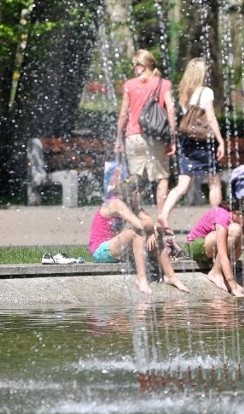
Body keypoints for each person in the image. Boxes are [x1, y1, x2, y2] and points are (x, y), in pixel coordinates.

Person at [157, 57, 226, 234]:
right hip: (204, 142)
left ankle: (163, 214)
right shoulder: (206, 92)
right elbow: (210, 118)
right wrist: (220, 140)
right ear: (201, 74)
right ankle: (217, 220)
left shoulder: (184, 93)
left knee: (182, 185)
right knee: (214, 183)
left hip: (187, 143)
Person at [88, 175, 189, 295]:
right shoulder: (116, 203)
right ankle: (141, 278)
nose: (143, 199)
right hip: (100, 251)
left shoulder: (130, 203)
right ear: (136, 192)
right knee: (136, 234)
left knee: (156, 237)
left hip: (115, 247)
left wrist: (154, 232)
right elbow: (140, 225)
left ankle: (170, 276)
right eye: (143, 194)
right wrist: (152, 231)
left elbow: (148, 222)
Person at [115, 49, 177, 215]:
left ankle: (138, 218)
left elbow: (123, 114)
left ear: (142, 66)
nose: (133, 68)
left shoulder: (129, 85)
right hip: (156, 137)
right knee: (162, 178)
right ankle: (161, 218)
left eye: (135, 64)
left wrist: (119, 139)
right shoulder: (164, 84)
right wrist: (172, 138)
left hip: (133, 137)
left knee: (134, 180)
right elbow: (170, 111)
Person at [184, 197, 244, 297]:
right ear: (237, 213)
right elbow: (223, 254)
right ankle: (215, 272)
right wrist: (232, 285)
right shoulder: (223, 216)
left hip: (211, 249)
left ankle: (224, 275)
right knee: (235, 229)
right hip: (195, 246)